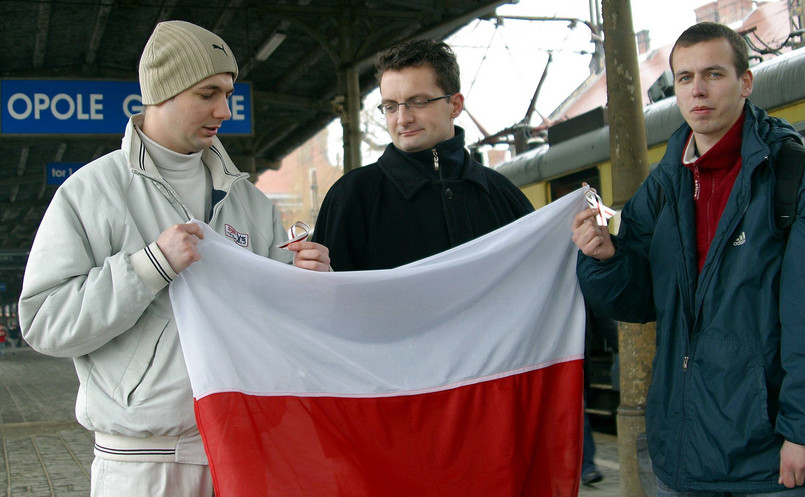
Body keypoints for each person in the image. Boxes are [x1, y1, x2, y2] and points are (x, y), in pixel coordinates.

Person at [18, 20, 330, 497]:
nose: (225, 110)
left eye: (227, 93)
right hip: (143, 463)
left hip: (245, 446)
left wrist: (308, 281)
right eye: (209, 93)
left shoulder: (249, 202)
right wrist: (148, 267)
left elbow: (281, 322)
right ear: (164, 91)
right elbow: (43, 322)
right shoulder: (89, 192)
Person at [572, 22, 805, 495]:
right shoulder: (665, 184)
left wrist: (800, 431)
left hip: (766, 457)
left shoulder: (787, 173)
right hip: (681, 449)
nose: (697, 90)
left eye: (714, 74)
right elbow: (635, 301)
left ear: (745, 82)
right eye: (684, 78)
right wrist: (604, 258)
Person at [312, 39, 533, 270]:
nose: (402, 119)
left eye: (418, 102)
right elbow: (327, 298)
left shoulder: (503, 194)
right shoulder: (350, 197)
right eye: (390, 106)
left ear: (455, 105)